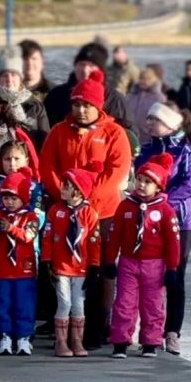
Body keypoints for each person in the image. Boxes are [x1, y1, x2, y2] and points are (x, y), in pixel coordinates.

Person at [40, 69, 132, 350]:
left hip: (102, 214)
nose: (81, 110)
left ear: (98, 106)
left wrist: (86, 199)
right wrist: (66, 196)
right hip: (65, 213)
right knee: (65, 271)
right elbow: (48, 167)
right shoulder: (58, 131)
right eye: (77, 104)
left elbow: (116, 173)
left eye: (87, 105)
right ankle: (65, 331)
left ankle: (95, 329)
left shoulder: (115, 133)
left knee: (101, 271)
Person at [135, 102, 191, 355]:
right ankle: (148, 330)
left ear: (170, 125)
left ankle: (172, 331)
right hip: (147, 221)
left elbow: (189, 186)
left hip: (179, 222)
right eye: (149, 118)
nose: (149, 123)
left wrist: (160, 203)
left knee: (175, 276)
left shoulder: (187, 150)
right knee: (147, 276)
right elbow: (138, 179)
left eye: (155, 119)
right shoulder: (147, 149)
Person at [105, 153, 181, 359]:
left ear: (158, 187)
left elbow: (173, 242)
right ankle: (120, 340)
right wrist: (110, 259)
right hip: (129, 262)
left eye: (148, 182)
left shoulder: (165, 210)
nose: (141, 185)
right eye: (139, 179)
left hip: (154, 265)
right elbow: (115, 234)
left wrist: (172, 268)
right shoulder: (125, 206)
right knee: (124, 303)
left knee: (153, 304)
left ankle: (150, 342)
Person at [0, 141, 43, 348]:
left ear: (26, 160)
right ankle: (3, 335)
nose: (12, 163)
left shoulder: (34, 187)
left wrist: (13, 225)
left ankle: (25, 335)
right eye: (7, 159)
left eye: (17, 158)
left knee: (24, 299)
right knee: (2, 299)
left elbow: (36, 222)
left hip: (26, 256)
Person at [40, 163, 102, 358]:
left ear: (79, 190)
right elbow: (48, 237)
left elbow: (94, 241)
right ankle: (60, 341)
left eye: (67, 185)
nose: (62, 187)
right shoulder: (56, 211)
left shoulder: (89, 214)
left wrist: (94, 265)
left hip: (81, 267)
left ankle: (76, 339)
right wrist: (46, 261)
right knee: (64, 303)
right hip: (61, 267)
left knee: (78, 304)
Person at [43, 42, 130, 128]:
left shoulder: (115, 100)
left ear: (101, 70)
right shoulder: (56, 96)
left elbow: (128, 134)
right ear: (75, 66)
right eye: (81, 64)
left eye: (91, 65)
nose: (85, 70)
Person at [0, 82, 39, 185]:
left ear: (3, 105)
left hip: (14, 193)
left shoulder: (16, 133)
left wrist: (34, 187)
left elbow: (33, 164)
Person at [0, 47, 50, 150]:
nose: (9, 80)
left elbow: (46, 141)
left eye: (14, 75)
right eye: (4, 75)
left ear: (20, 78)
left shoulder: (35, 106)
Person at [125, 67, 167, 146]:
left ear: (154, 80)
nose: (143, 81)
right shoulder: (130, 96)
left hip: (149, 138)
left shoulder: (159, 98)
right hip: (131, 137)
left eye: (147, 79)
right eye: (141, 79)